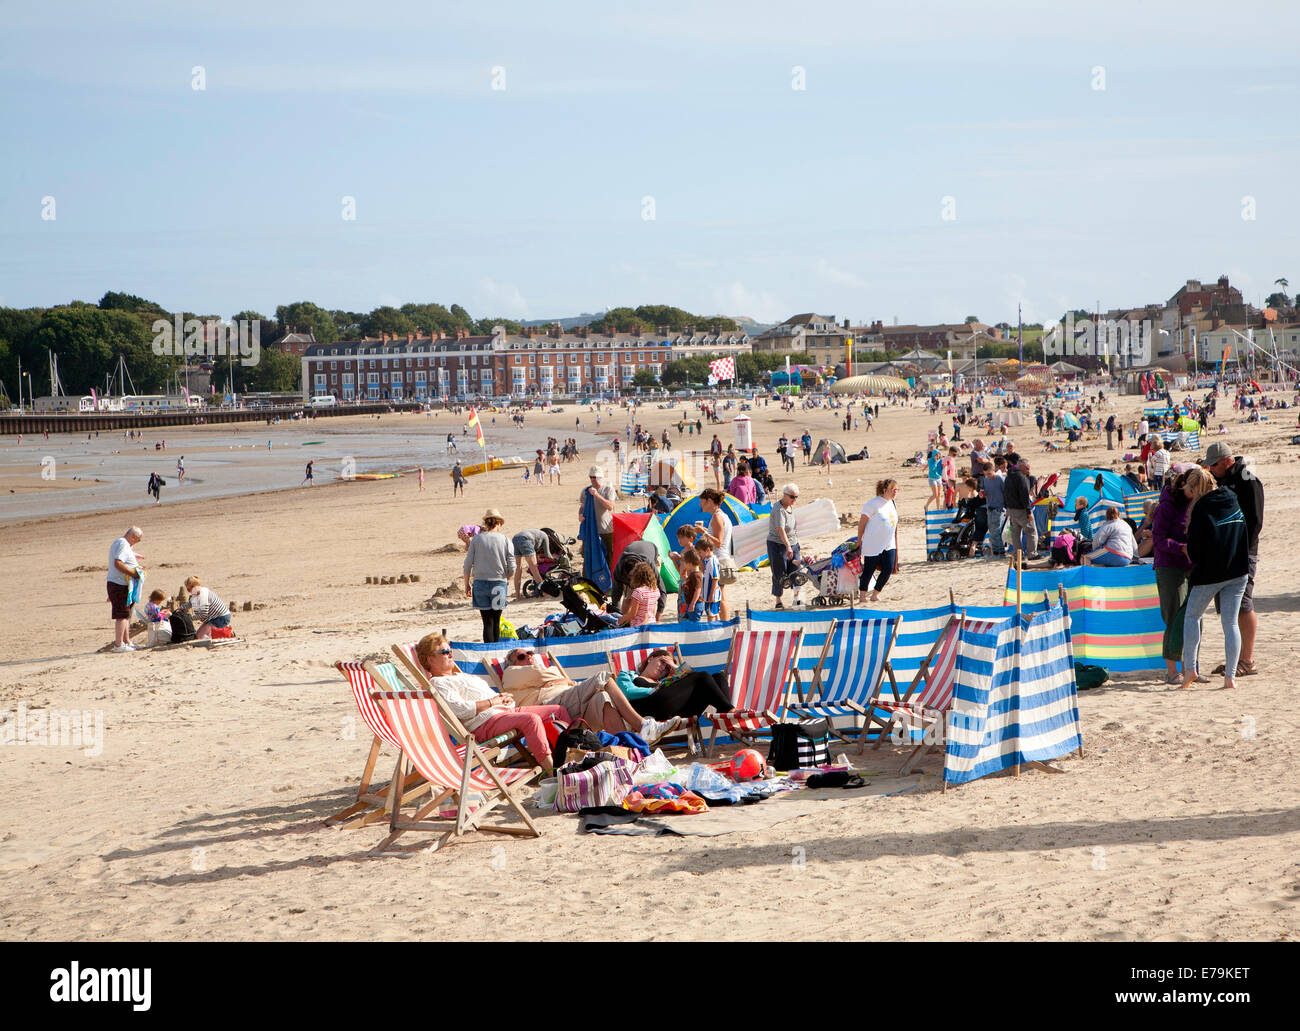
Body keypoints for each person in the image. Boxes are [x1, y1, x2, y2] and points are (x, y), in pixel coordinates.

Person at [416, 633, 564, 774]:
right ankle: (553, 773)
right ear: (430, 660)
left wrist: (502, 698)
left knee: (558, 711)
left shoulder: (460, 675)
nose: (450, 654)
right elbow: (460, 710)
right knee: (531, 720)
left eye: (450, 650)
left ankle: (570, 760)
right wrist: (492, 701)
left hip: (503, 714)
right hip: (484, 724)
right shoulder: (438, 682)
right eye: (444, 651)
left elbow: (485, 695)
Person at [500, 647, 679, 744]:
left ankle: (628, 750)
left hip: (569, 704)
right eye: (522, 655)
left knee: (603, 699)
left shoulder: (535, 674)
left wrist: (558, 681)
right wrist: (558, 680)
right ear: (514, 662)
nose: (529, 656)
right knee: (603, 676)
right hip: (548, 708)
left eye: (530, 652)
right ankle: (643, 725)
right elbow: (543, 673)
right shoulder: (510, 672)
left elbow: (547, 676)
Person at [1179, 466, 1250, 690]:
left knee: (1191, 617)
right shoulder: (1232, 498)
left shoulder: (1202, 508)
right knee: (1230, 624)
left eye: (1189, 489)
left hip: (1211, 573)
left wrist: (1188, 551)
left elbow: (1197, 551)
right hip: (1238, 570)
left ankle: (1189, 669)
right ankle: (1230, 677)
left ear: (1194, 488)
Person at [1202, 442, 1264, 676]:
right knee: (1228, 606)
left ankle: (1247, 661)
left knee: (1243, 602)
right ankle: (1235, 657)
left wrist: (1240, 547)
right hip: (1223, 551)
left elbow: (1255, 521)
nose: (1212, 469)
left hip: (1242, 551)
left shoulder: (1247, 479)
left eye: (1214, 465)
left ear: (1227, 461)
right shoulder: (1223, 479)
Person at [1152, 469, 1199, 684]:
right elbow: (1158, 539)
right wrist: (1181, 548)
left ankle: (1192, 668)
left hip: (1192, 567)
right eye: (1195, 489)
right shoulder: (1167, 506)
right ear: (1185, 485)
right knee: (1174, 618)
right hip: (1169, 567)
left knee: (1195, 619)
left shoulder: (1196, 503)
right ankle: (1172, 671)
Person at [616, 649, 733, 722]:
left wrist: (675, 667)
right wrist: (656, 689)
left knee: (718, 677)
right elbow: (627, 692)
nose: (663, 667)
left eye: (667, 667)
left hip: (678, 711)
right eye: (662, 662)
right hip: (652, 711)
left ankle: (726, 716)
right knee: (702, 676)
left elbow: (693, 676)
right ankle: (729, 711)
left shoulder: (667, 682)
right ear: (650, 659)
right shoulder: (629, 676)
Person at [463, 509, 514, 642]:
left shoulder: (477, 539)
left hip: (480, 584)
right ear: (498, 523)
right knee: (496, 621)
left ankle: (488, 651)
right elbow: (512, 566)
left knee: (487, 623)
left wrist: (466, 584)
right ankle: (495, 651)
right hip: (498, 583)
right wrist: (506, 577)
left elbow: (467, 564)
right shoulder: (505, 540)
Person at [857, 479, 900, 603]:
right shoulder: (872, 504)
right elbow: (862, 523)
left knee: (888, 569)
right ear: (884, 490)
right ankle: (862, 595)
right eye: (893, 489)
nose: (895, 492)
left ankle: (875, 594)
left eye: (896, 489)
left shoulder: (892, 503)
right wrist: (859, 540)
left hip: (889, 543)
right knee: (869, 570)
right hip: (873, 543)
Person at [695, 488, 735, 620]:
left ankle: (725, 623)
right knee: (721, 594)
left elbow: (718, 542)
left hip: (719, 560)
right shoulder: (723, 515)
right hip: (723, 559)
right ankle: (724, 622)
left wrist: (704, 533)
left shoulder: (717, 516)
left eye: (702, 502)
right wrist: (706, 531)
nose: (700, 505)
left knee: (721, 595)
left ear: (709, 501)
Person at [107, 526, 144, 652]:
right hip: (119, 584)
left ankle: (126, 641)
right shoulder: (122, 543)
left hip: (124, 585)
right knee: (122, 615)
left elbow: (127, 555)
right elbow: (118, 563)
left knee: (126, 614)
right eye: (138, 540)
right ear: (133, 537)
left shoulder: (124, 545)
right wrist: (133, 573)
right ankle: (119, 645)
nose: (137, 542)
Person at [767, 482, 801, 609]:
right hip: (777, 544)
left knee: (796, 571)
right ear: (785, 496)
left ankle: (797, 599)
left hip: (793, 543)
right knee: (779, 573)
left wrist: (793, 544)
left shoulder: (790, 507)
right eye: (792, 497)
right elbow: (780, 529)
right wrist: (787, 546)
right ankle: (778, 599)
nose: (795, 500)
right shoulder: (778, 509)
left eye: (796, 497)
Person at [1002, 453, 1037, 559]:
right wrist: (1028, 511)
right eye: (1027, 468)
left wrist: (1007, 508)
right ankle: (1032, 554)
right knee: (1031, 531)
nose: (1028, 471)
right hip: (1021, 510)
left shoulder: (1008, 476)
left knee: (1016, 534)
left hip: (1011, 510)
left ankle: (1017, 555)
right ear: (1021, 467)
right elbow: (1024, 496)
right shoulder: (1022, 478)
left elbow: (1005, 493)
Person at [577, 466, 616, 561]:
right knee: (589, 559)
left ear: (601, 477)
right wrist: (580, 515)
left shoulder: (608, 490)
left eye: (595, 477)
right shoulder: (585, 491)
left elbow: (610, 506)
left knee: (607, 558)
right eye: (591, 477)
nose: (593, 479)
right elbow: (582, 507)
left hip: (606, 530)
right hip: (590, 530)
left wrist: (596, 495)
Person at [511, 528, 553, 600]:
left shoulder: (537, 534)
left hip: (515, 538)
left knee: (518, 568)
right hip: (526, 539)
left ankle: (518, 596)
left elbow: (534, 551)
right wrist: (554, 559)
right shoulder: (545, 536)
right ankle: (545, 593)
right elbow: (548, 554)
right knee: (534, 568)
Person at [617, 561, 660, 627]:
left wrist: (621, 619)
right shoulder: (655, 590)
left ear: (637, 577)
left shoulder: (638, 592)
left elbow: (633, 613)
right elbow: (652, 611)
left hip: (638, 626)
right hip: (651, 624)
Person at [981, 458, 1006, 556]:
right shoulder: (986, 480)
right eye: (986, 474)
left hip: (999, 508)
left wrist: (1005, 508)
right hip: (990, 507)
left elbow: (1005, 493)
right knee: (992, 531)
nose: (987, 476)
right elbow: (987, 493)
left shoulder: (1000, 479)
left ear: (993, 470)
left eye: (989, 474)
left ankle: (1000, 551)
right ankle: (996, 551)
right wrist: (982, 494)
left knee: (996, 531)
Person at [677, 548, 704, 621]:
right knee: (691, 621)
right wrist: (686, 578)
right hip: (692, 602)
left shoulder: (696, 575)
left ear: (689, 563)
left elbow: (698, 590)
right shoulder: (693, 574)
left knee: (694, 623)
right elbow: (692, 584)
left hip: (696, 603)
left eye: (685, 563)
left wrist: (692, 604)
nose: (684, 565)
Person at [924, 445, 943, 510]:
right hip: (932, 478)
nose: (937, 456)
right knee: (935, 494)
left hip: (939, 478)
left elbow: (942, 468)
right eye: (936, 455)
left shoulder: (940, 460)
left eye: (938, 455)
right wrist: (935, 461)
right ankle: (926, 505)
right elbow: (932, 469)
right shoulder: (930, 460)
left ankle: (938, 508)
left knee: (939, 494)